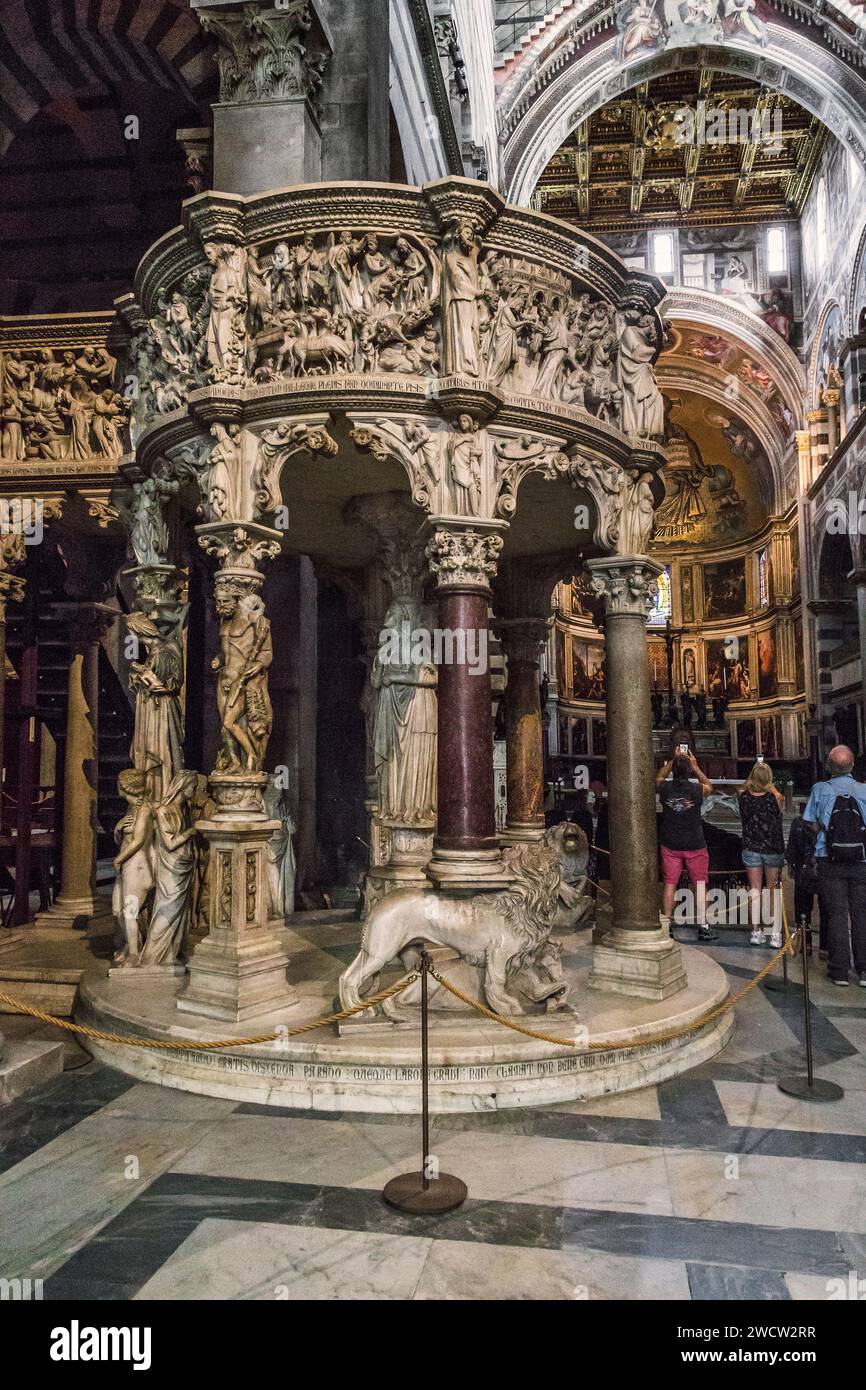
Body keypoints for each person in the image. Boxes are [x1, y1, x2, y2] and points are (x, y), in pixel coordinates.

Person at [803, 746, 866, 986]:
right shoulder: (864, 790)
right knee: (861, 913)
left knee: (836, 913)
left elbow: (809, 821)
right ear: (852, 766)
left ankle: (839, 971)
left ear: (829, 766)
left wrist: (824, 829)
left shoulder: (821, 789)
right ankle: (864, 970)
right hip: (861, 859)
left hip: (829, 857)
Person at [656, 750, 716, 942]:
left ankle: (667, 924)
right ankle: (703, 926)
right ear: (689, 770)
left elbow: (658, 777)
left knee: (670, 884)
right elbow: (709, 785)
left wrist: (673, 761)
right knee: (699, 885)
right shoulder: (697, 789)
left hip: (670, 843)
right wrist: (696, 767)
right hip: (694, 843)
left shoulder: (664, 788)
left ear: (673, 769)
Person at [738, 761, 785, 948]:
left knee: (755, 889)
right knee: (772, 890)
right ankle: (774, 933)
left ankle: (756, 931)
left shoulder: (744, 797)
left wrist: (752, 781)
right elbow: (777, 796)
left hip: (751, 846)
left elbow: (741, 788)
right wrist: (768, 783)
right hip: (772, 847)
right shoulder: (776, 797)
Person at [785, 801, 823, 958]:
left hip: (803, 868)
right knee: (826, 909)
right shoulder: (826, 822)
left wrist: (791, 866)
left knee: (802, 907)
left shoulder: (798, 823)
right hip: (823, 868)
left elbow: (792, 848)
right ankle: (825, 947)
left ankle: (805, 943)